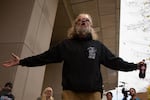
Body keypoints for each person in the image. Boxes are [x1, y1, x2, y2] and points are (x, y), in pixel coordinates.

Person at [2, 13, 144, 100]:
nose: (83, 21)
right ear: (75, 25)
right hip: (70, 93)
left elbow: (115, 62)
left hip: (93, 94)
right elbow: (43, 57)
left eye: (86, 20)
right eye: (79, 20)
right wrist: (21, 62)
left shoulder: (98, 46)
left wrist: (135, 66)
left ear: (90, 26)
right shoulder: (65, 45)